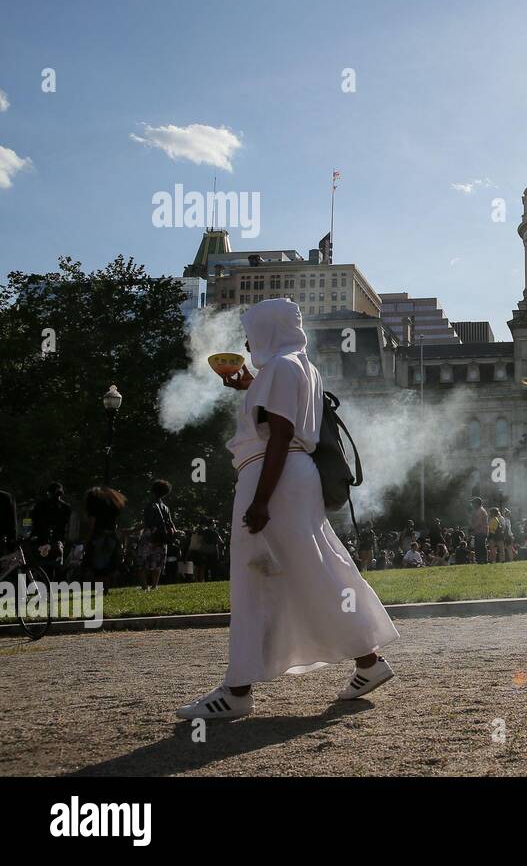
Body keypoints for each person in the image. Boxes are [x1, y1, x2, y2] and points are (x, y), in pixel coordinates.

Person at [176, 298, 398, 720]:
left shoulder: (279, 367)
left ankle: (237, 690)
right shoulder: (299, 366)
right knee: (311, 568)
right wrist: (247, 386)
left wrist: (260, 500)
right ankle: (368, 661)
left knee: (254, 575)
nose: (246, 340)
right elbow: (284, 423)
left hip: (270, 475)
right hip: (295, 477)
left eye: (251, 331)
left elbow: (279, 434)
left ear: (269, 330)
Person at [84, 486, 126, 593]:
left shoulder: (94, 508)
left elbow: (91, 525)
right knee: (108, 565)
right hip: (111, 537)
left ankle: (100, 590)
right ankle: (105, 589)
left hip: (99, 536)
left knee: (99, 565)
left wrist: (87, 539)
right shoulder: (112, 508)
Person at [140, 479, 176, 591]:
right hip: (162, 536)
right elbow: (170, 523)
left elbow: (148, 522)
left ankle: (145, 586)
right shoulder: (165, 507)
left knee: (143, 561)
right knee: (158, 561)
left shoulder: (149, 505)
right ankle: (155, 585)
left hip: (150, 535)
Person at [468, 497, 489, 564]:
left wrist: (472, 528)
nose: (472, 504)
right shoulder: (479, 510)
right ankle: (481, 560)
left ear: (477, 503)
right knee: (480, 546)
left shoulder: (480, 511)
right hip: (480, 531)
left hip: (481, 531)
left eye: (473, 503)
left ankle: (481, 560)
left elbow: (479, 522)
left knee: (480, 546)